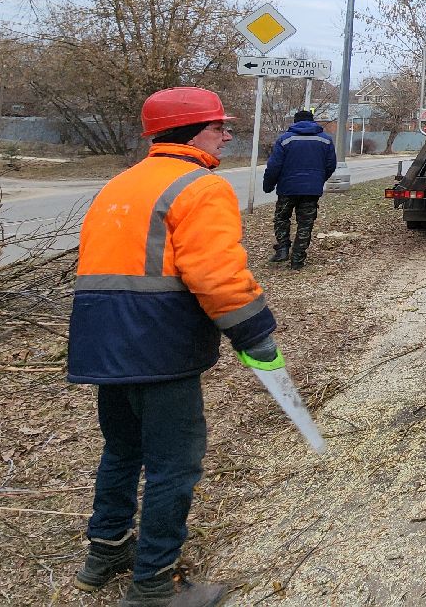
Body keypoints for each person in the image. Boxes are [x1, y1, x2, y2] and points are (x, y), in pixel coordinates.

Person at [68, 87, 281, 606]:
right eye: (218, 127)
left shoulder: (122, 183)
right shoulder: (201, 187)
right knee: (175, 464)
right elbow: (217, 275)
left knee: (123, 448)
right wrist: (255, 333)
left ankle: (106, 549)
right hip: (158, 343)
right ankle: (154, 586)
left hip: (103, 338)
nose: (228, 134)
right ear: (189, 131)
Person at [261, 109, 337, 269]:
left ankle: (282, 248)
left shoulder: (285, 139)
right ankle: (297, 260)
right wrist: (318, 179)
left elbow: (274, 165)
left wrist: (268, 184)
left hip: (287, 188)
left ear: (295, 122)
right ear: (313, 121)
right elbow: (331, 165)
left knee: (282, 218)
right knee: (305, 223)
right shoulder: (325, 140)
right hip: (311, 190)